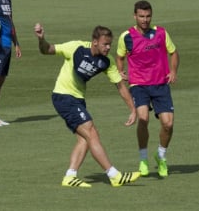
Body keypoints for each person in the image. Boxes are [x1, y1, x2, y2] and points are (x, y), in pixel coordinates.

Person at [34, 23, 140, 187]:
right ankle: (114, 175)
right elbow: (47, 50)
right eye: (105, 44)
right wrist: (42, 39)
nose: (108, 47)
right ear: (95, 41)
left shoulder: (107, 61)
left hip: (78, 100)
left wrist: (132, 109)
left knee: (84, 139)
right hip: (63, 96)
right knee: (91, 132)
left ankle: (70, 176)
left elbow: (120, 86)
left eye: (109, 44)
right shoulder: (76, 48)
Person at [116, 0, 180, 177]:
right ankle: (143, 159)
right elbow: (119, 57)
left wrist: (173, 71)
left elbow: (173, 53)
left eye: (148, 16)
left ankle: (161, 156)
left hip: (160, 84)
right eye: (141, 16)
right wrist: (120, 72)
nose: (145, 20)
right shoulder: (126, 37)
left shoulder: (161, 33)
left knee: (168, 124)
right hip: (139, 85)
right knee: (143, 118)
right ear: (134, 16)